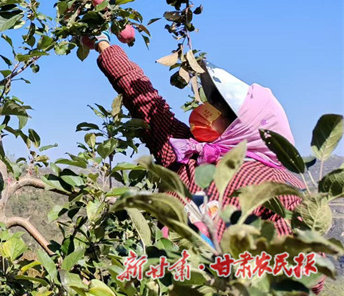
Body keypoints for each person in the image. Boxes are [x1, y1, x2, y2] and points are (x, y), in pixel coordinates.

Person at [90, 32, 305, 242]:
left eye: (218, 109)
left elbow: (304, 265)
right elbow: (145, 100)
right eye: (211, 104)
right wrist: (103, 44)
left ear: (239, 128)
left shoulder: (276, 188)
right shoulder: (188, 153)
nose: (206, 110)